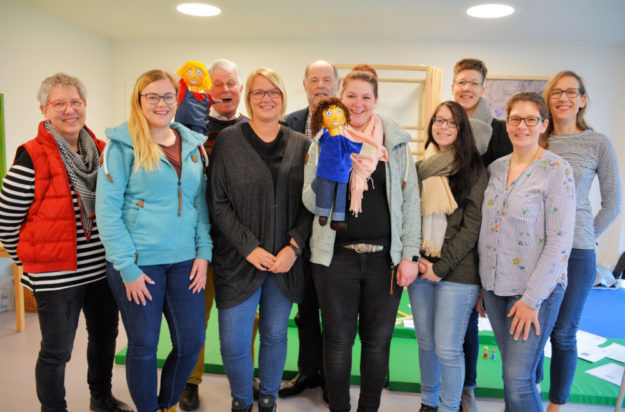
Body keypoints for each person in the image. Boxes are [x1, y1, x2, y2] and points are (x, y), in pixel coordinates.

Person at [0, 73, 132, 412]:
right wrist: (30, 261)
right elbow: (6, 222)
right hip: (56, 276)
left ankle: (100, 398)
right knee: (57, 350)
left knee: (105, 339)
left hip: (101, 270)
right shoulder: (30, 157)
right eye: (59, 103)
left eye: (75, 102)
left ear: (85, 105)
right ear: (45, 109)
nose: (68, 110)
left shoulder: (102, 152)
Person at [302, 64, 421, 412]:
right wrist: (330, 170)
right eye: (351, 96)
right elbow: (310, 202)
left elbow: (410, 201)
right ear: (341, 99)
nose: (358, 103)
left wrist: (409, 256)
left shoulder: (395, 144)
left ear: (376, 100)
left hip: (385, 260)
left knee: (378, 342)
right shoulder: (324, 141)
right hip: (335, 258)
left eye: (365, 97)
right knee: (338, 341)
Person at [96, 69, 212, 412]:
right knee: (144, 344)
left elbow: (199, 205)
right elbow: (108, 211)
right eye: (153, 97)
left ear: (177, 100)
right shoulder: (121, 146)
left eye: (167, 96)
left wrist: (203, 254)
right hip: (139, 262)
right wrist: (127, 267)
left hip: (186, 262)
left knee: (191, 341)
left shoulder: (193, 145)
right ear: (139, 100)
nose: (161, 103)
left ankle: (168, 402)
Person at [208, 68, 312, 412]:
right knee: (234, 341)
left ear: (283, 98)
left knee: (275, 334)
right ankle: (241, 396)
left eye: (274, 92)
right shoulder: (228, 141)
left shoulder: (302, 145)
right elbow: (218, 201)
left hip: (283, 262)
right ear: (248, 99)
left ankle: (268, 396)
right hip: (238, 260)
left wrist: (294, 247)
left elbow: (309, 205)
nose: (266, 98)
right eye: (258, 92)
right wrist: (248, 247)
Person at [478, 92, 576, 411]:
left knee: (518, 380)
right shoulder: (495, 169)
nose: (522, 125)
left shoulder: (556, 170)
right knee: (515, 374)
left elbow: (560, 243)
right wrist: (483, 285)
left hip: (535, 293)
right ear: (507, 124)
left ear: (543, 125)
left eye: (530, 119)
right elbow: (487, 231)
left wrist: (532, 300)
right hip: (495, 289)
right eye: (515, 119)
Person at [539, 71, 621, 412]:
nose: (563, 98)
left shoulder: (597, 142)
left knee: (563, 333)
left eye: (571, 92)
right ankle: (526, 396)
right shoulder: (538, 139)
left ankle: (556, 406)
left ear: (583, 99)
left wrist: (586, 235)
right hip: (535, 252)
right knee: (533, 334)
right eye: (556, 92)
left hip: (577, 252)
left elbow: (613, 203)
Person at [178, 58, 249, 412]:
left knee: (243, 318)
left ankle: (246, 377)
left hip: (241, 244)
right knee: (194, 317)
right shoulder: (189, 127)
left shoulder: (255, 128)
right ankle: (190, 380)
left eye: (230, 84)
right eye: (217, 84)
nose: (224, 91)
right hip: (198, 241)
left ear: (240, 88)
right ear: (207, 88)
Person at [408, 101, 487, 412]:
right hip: (421, 267)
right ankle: (429, 403)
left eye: (451, 122)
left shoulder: (474, 169)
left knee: (447, 348)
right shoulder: (419, 167)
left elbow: (472, 228)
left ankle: (450, 406)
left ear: (461, 129)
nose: (443, 126)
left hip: (458, 272)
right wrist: (418, 259)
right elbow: (408, 217)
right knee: (426, 344)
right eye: (438, 120)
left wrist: (439, 267)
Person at [450, 57, 512, 411]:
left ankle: (468, 388)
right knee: (455, 319)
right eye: (461, 82)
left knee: (473, 317)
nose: (467, 88)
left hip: (484, 231)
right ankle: (452, 386)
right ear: (453, 86)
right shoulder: (447, 124)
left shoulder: (499, 131)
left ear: (483, 88)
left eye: (474, 83)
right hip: (448, 231)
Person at [279, 59, 340, 399]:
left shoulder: (350, 121)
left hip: (337, 234)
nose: (320, 85)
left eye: (326, 79)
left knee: (335, 313)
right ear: (304, 84)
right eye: (313, 79)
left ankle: (333, 378)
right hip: (301, 230)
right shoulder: (290, 123)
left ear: (336, 83)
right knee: (305, 311)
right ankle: (307, 372)